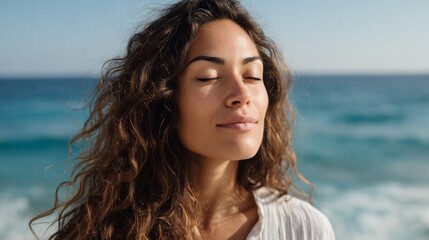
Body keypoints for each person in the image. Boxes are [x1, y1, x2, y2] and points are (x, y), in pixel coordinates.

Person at [30, 0, 335, 239]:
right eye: (209, 77)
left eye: (252, 75)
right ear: (163, 100)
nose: (241, 94)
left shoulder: (303, 229)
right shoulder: (103, 229)